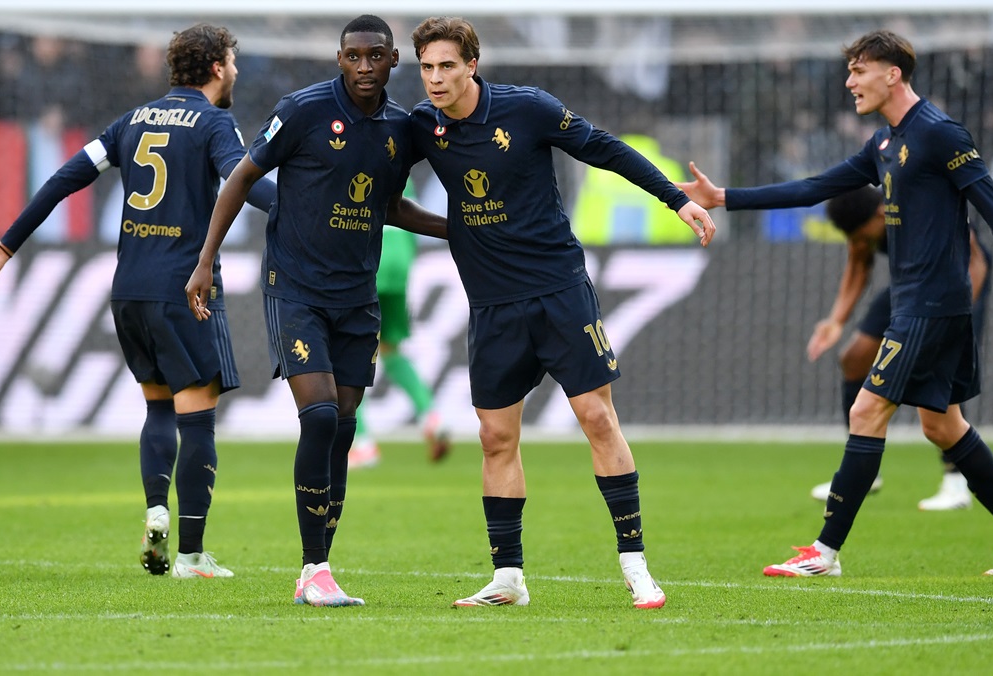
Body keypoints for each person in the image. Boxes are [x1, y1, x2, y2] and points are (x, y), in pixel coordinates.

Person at [676, 30, 993, 577]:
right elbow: (815, 187)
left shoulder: (941, 134)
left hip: (932, 303)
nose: (849, 82)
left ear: (892, 74)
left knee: (865, 411)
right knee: (942, 427)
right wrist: (723, 197)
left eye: (859, 71)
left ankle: (824, 553)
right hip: (915, 301)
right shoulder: (883, 143)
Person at [407, 16, 715, 609]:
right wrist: (455, 230)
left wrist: (676, 200)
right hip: (492, 304)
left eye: (447, 65)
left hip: (558, 289)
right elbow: (379, 186)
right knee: (495, 437)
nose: (436, 78)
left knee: (596, 417)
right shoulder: (422, 126)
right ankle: (508, 578)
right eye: (427, 68)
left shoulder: (527, 108)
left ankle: (636, 566)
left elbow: (606, 149)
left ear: (473, 65)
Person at [0, 24, 275, 579]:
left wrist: (7, 245)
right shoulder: (214, 122)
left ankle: (156, 510)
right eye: (232, 62)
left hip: (128, 289)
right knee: (197, 419)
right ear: (217, 67)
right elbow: (241, 181)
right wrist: (310, 211)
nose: (236, 72)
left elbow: (64, 179)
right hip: (185, 289)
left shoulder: (132, 121)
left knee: (158, 408)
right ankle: (192, 556)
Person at [185, 15, 446, 607]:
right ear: (339, 58)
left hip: (358, 295)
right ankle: (313, 566)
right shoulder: (302, 110)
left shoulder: (401, 129)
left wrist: (458, 229)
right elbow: (241, 179)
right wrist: (204, 261)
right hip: (295, 288)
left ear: (393, 60)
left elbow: (391, 206)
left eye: (374, 56)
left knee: (346, 424)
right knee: (322, 415)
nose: (363, 66)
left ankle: (319, 570)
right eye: (353, 56)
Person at [806, 185, 993, 511]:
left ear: (882, 214)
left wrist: (955, 320)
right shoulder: (862, 221)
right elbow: (858, 264)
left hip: (959, 278)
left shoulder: (924, 207)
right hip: (910, 282)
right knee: (854, 358)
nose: (859, 243)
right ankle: (863, 473)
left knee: (942, 371)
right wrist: (836, 320)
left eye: (861, 236)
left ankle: (956, 483)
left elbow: (976, 262)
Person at [347, 189, 451, 469]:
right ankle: (431, 416)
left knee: (347, 355)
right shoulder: (404, 165)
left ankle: (362, 442)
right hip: (400, 260)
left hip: (371, 258)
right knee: (390, 349)